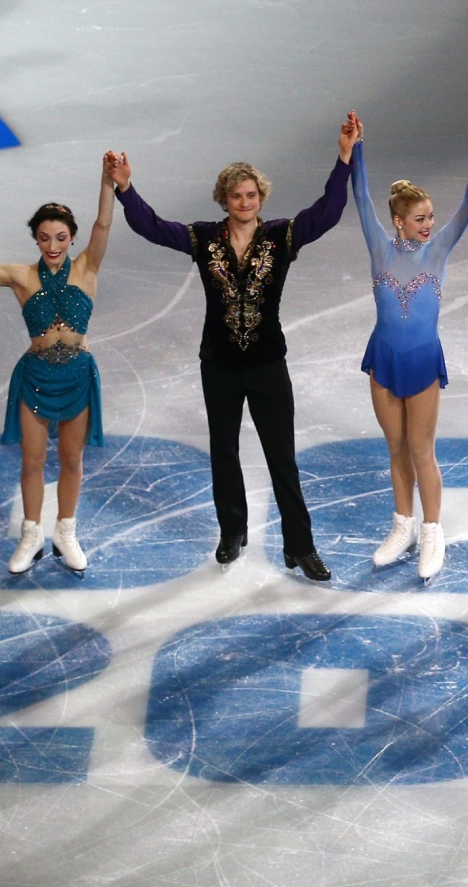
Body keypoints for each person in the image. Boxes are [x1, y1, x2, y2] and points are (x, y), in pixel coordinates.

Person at [114, 113, 361, 582]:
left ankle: (300, 546)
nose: (244, 202)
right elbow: (151, 226)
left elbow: (328, 212)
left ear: (260, 198)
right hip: (221, 366)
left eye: (251, 195)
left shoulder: (281, 235)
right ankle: (233, 532)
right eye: (236, 195)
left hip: (268, 364)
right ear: (224, 200)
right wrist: (127, 189)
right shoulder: (204, 238)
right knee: (223, 451)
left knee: (281, 456)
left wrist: (344, 156)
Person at [0, 154, 117, 574]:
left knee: (71, 459)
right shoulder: (20, 277)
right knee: (31, 460)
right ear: (36, 239)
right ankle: (31, 534)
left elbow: (103, 226)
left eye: (61, 237)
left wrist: (107, 181)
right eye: (44, 238)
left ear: (71, 238)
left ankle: (65, 531)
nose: (53, 246)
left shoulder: (87, 266)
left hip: (77, 375)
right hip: (36, 378)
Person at [350, 130, 468, 579]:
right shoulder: (379, 248)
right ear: (399, 221)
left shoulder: (437, 250)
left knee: (422, 451)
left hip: (422, 361)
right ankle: (402, 525)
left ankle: (431, 531)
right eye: (420, 218)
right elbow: (360, 195)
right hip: (383, 360)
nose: (428, 224)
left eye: (430, 217)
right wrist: (358, 148)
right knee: (396, 448)